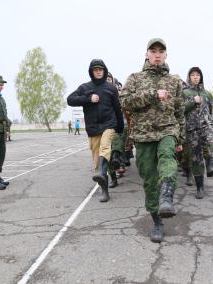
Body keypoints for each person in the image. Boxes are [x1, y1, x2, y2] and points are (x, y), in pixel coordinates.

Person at [120, 38, 185, 243]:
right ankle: (157, 220)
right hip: (143, 134)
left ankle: (167, 197)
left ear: (166, 55)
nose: (157, 54)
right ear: (147, 54)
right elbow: (125, 102)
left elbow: (180, 112)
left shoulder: (175, 81)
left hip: (168, 129)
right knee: (148, 178)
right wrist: (152, 95)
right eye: (153, 50)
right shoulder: (135, 78)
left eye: (161, 51)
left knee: (167, 157)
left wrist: (180, 137)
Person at [67, 59, 124, 202]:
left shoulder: (111, 88)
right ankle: (104, 190)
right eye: (95, 69)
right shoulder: (85, 87)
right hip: (93, 128)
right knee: (97, 163)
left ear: (104, 71)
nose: (98, 71)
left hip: (109, 125)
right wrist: (88, 98)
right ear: (91, 72)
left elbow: (117, 109)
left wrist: (120, 128)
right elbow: (70, 99)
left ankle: (103, 173)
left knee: (105, 147)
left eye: (100, 69)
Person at [184, 67, 213, 199]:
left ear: (201, 77)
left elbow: (211, 110)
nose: (195, 77)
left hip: (206, 124)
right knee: (197, 158)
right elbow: (180, 110)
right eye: (192, 75)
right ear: (189, 77)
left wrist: (210, 120)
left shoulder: (207, 94)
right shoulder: (185, 93)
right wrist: (193, 101)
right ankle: (200, 188)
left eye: (197, 75)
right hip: (192, 129)